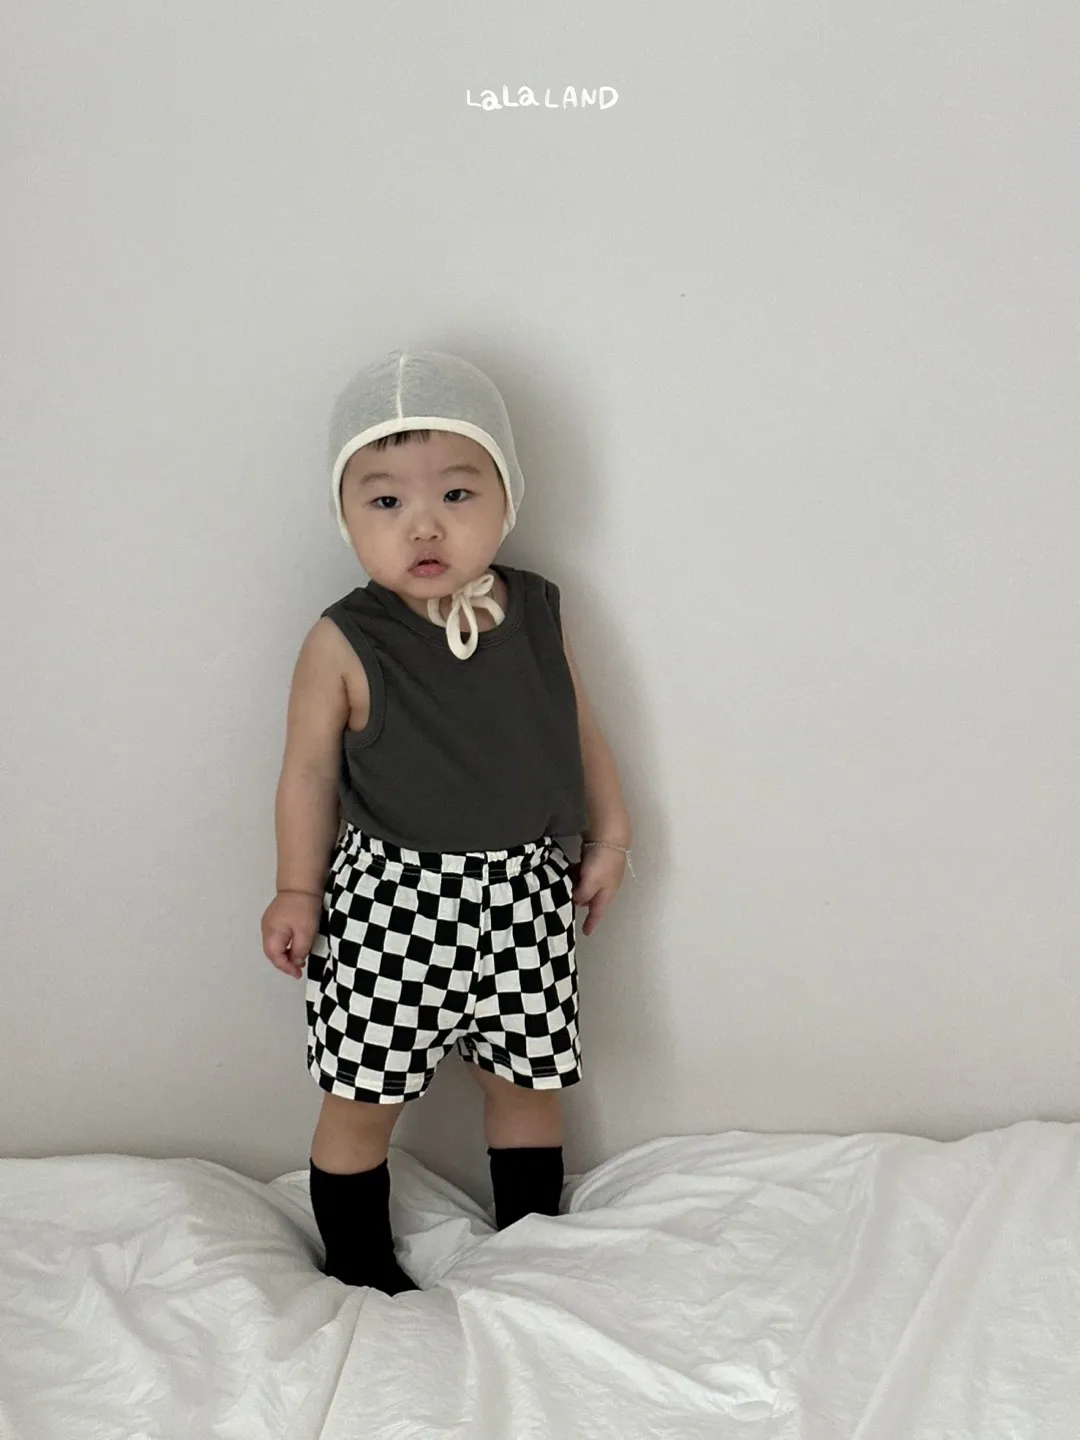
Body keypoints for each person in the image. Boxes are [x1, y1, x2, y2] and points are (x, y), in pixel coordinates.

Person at [260, 348, 632, 1295]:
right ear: (344, 516)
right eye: (385, 501)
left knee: (527, 1082)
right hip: (392, 902)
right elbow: (307, 773)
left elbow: (578, 726)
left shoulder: (536, 610)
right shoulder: (344, 639)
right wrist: (297, 887)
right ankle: (357, 1265)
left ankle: (530, 1250)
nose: (423, 524)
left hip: (523, 892)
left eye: (457, 493)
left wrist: (611, 835)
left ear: (507, 497)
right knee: (362, 1092)